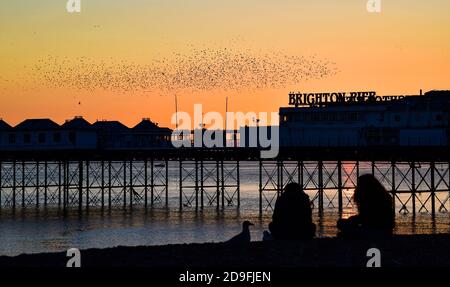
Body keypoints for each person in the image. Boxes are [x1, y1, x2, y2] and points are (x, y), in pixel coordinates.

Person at [337, 174, 394, 239]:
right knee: (343, 224)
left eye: (359, 185)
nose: (357, 187)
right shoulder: (384, 196)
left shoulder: (368, 198)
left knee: (342, 225)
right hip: (386, 231)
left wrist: (353, 219)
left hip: (374, 231)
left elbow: (367, 218)